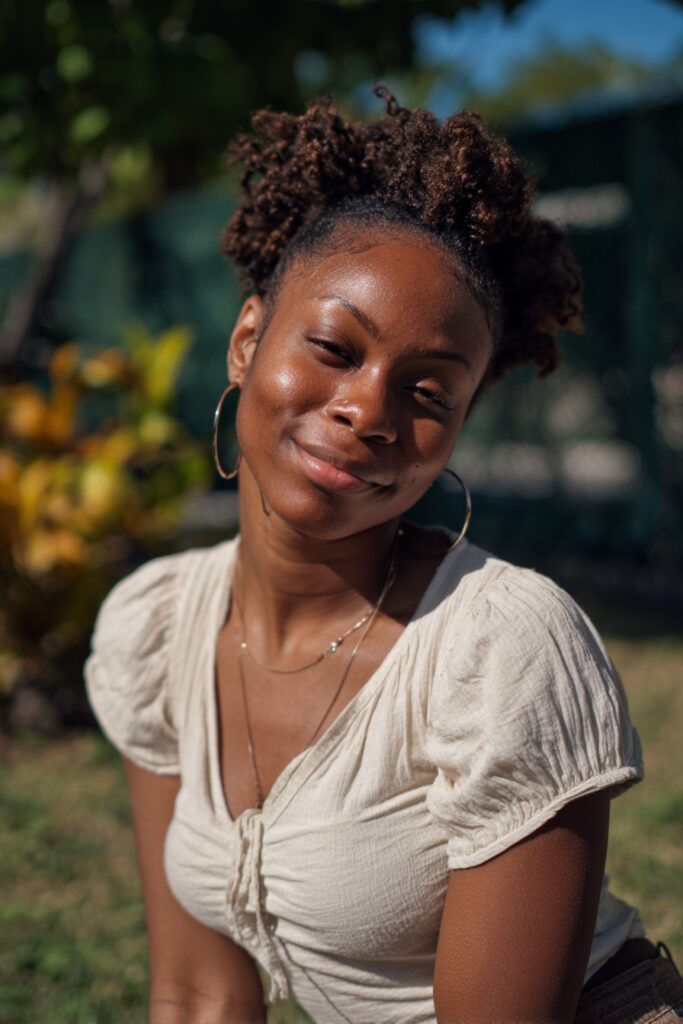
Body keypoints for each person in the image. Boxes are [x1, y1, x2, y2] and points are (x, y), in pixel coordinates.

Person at [85, 87, 683, 1024]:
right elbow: (199, 993)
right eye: (334, 347)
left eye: (428, 393)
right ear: (247, 340)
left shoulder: (500, 648)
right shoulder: (157, 628)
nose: (368, 409)